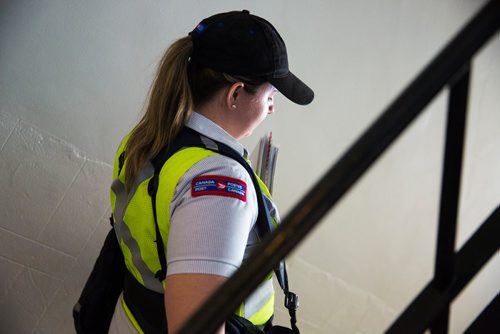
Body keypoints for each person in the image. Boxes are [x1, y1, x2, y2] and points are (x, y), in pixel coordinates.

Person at [108, 9, 314, 334]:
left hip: (132, 319)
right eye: (270, 96)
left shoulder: (150, 137)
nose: (271, 108)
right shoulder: (219, 183)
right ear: (235, 94)